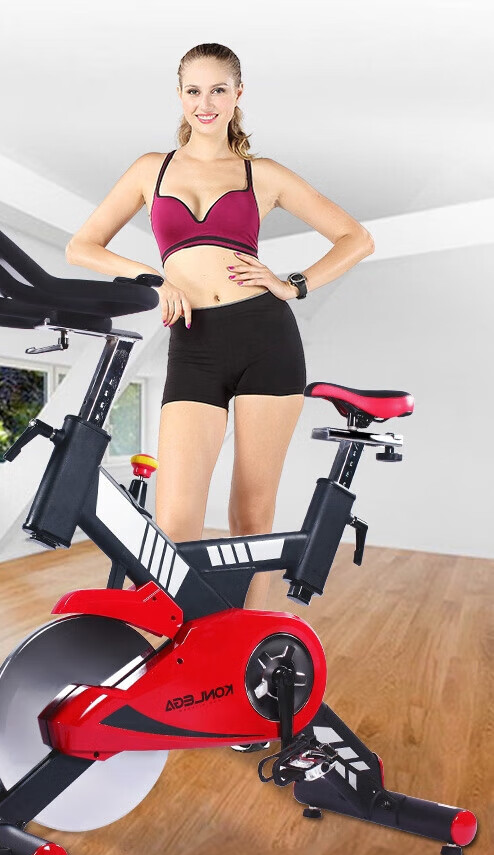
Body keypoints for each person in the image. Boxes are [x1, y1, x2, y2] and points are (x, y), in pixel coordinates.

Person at [65, 42, 374, 610]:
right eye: (193, 90)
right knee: (175, 519)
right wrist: (152, 279)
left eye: (217, 90)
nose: (204, 103)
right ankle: (186, 635)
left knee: (251, 515)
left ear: (237, 94)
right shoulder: (151, 168)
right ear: (179, 95)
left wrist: (295, 283)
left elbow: (356, 238)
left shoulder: (263, 174)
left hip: (265, 338)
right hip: (194, 344)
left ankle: (252, 639)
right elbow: (82, 246)